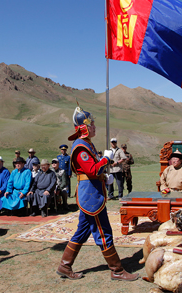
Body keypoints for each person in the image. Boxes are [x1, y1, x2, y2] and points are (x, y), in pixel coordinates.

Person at [56, 104, 139, 281]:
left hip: (93, 191)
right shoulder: (80, 147)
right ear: (84, 127)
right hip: (91, 196)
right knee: (104, 231)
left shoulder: (87, 144)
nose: (94, 126)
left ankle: (64, 266)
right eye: (91, 124)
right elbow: (92, 170)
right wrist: (105, 159)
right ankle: (117, 270)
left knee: (82, 231)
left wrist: (104, 176)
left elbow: (94, 172)